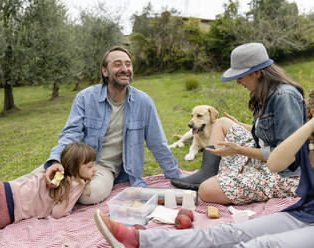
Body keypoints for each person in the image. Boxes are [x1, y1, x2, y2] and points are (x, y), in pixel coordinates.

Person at [93, 89, 314, 248]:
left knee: (264, 244)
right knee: (230, 232)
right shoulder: (308, 139)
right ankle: (142, 240)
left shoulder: (285, 96)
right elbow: (276, 162)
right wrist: (309, 128)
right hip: (307, 213)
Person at [43, 46, 180, 205]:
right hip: (75, 161)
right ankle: (10, 194)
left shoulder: (143, 102)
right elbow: (70, 134)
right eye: (117, 64)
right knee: (42, 176)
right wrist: (56, 162)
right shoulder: (85, 98)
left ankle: (63, 188)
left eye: (128, 64)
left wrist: (174, 175)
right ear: (105, 71)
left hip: (102, 169)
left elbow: (157, 143)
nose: (125, 69)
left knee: (89, 195)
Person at [171, 42, 305, 205]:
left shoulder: (285, 97)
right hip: (264, 158)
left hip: (284, 174)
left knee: (206, 190)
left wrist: (239, 150)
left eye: (240, 76)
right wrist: (242, 125)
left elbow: (286, 155)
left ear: (257, 72)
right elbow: (268, 134)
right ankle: (207, 172)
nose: (238, 81)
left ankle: (215, 180)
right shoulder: (265, 93)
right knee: (221, 123)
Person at [0, 142, 97, 246]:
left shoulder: (56, 172)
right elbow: (57, 213)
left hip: (1, 189)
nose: (95, 169)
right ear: (75, 167)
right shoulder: (76, 184)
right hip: (6, 212)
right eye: (90, 166)